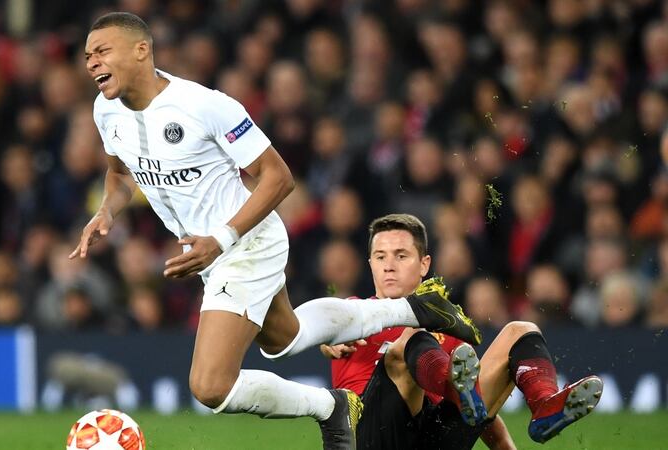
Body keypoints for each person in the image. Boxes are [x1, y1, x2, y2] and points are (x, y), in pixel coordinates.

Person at [74, 12, 481, 449]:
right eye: (87, 55)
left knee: (210, 385)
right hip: (211, 253)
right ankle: (414, 309)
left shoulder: (203, 106)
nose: (92, 62)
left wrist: (220, 241)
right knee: (286, 339)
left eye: (102, 51)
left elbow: (278, 177)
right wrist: (107, 211)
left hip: (244, 243)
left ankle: (332, 407)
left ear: (141, 50)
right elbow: (119, 173)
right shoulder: (105, 110)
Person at [322, 213, 603, 449]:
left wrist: (505, 446)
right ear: (370, 264)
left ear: (424, 264)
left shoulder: (447, 329)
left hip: (431, 440)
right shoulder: (352, 312)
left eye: (401, 256)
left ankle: (544, 405)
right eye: (380, 257)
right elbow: (316, 325)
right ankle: (455, 389)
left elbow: (478, 410)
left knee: (520, 330)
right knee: (412, 339)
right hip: (367, 440)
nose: (389, 266)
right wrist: (327, 341)